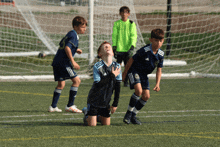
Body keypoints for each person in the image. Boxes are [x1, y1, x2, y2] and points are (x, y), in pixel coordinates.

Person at [122, 28, 165, 125]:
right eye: (156, 40)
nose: (158, 43)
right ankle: (128, 114)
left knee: (146, 96)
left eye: (161, 41)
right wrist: (124, 74)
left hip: (144, 75)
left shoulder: (161, 54)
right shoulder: (144, 50)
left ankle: (133, 115)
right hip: (134, 71)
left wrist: (157, 84)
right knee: (139, 91)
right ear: (151, 40)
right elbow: (131, 60)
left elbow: (159, 69)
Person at [48, 16, 87, 113]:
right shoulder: (73, 35)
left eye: (85, 27)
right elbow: (67, 48)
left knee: (61, 84)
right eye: (82, 27)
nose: (84, 29)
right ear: (75, 26)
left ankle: (53, 107)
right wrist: (73, 61)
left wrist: (76, 49)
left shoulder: (70, 33)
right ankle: (70, 105)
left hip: (57, 62)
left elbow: (62, 43)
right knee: (77, 81)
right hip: (64, 63)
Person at [82, 41, 122, 126]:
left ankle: (97, 117)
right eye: (105, 47)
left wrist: (115, 104)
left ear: (112, 53)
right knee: (92, 125)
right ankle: (87, 113)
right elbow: (99, 84)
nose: (107, 47)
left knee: (106, 124)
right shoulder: (97, 66)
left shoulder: (117, 66)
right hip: (94, 100)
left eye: (109, 47)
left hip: (106, 101)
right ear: (100, 54)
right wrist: (112, 75)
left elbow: (117, 87)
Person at [112, 6, 137, 87]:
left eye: (126, 12)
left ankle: (127, 82)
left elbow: (134, 36)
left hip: (128, 49)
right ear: (120, 14)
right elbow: (114, 35)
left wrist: (132, 46)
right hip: (119, 49)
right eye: (122, 12)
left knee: (128, 67)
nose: (124, 14)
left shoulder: (131, 24)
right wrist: (114, 47)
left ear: (128, 14)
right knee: (117, 67)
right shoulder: (117, 23)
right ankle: (116, 81)